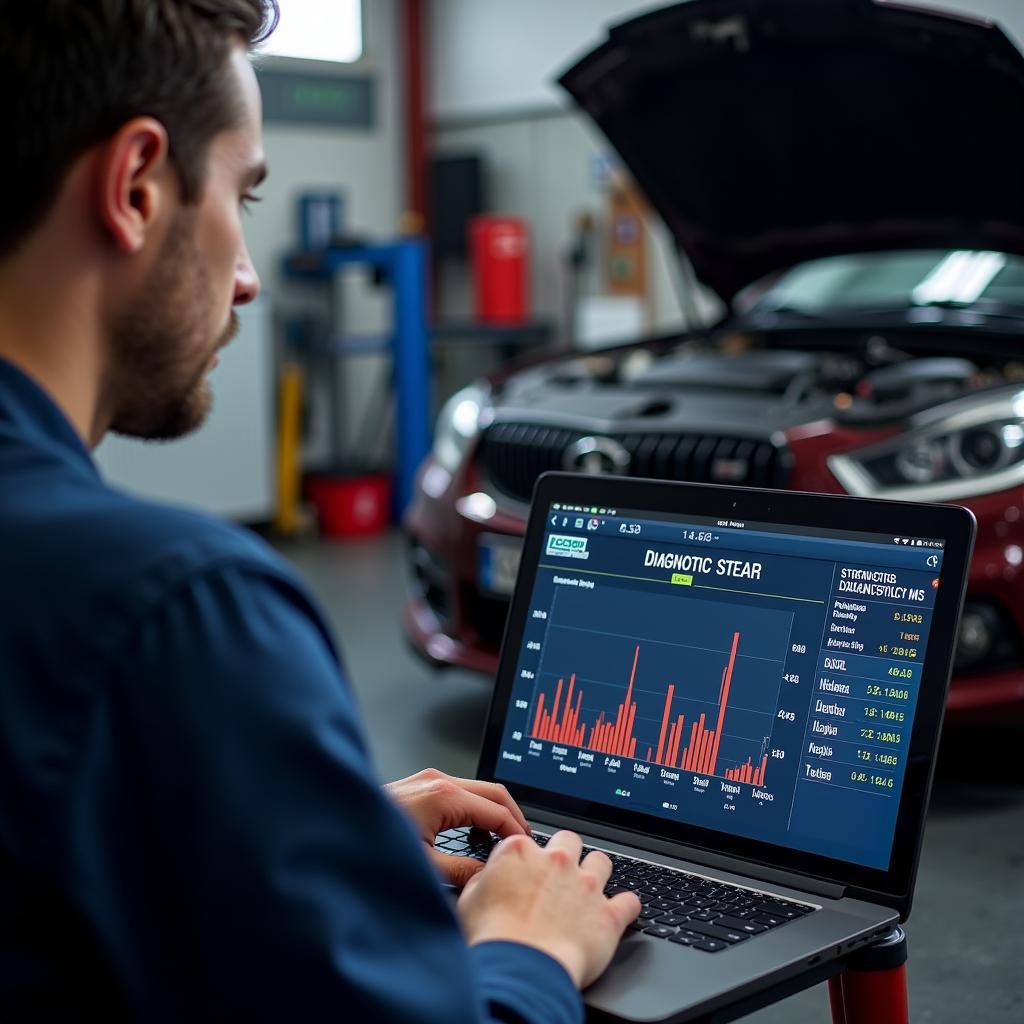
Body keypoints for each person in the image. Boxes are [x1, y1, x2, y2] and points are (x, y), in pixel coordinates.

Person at [0, 2, 640, 1019]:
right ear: (134, 186)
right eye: (243, 198)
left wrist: (274, 820)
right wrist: (526, 947)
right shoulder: (178, 610)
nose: (247, 279)